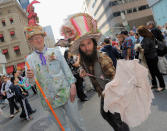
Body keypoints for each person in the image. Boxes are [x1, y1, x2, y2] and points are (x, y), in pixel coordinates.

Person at [61, 13, 129, 131]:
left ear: (94, 43)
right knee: (105, 114)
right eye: (83, 45)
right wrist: (82, 70)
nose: (87, 48)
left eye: (89, 43)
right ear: (79, 48)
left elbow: (115, 78)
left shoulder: (103, 59)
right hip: (102, 93)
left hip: (112, 95)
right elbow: (82, 66)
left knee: (118, 120)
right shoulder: (83, 58)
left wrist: (112, 91)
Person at [25, 25, 86, 131]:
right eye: (34, 38)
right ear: (31, 42)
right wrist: (29, 78)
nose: (38, 40)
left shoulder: (55, 51)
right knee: (63, 127)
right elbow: (30, 83)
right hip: (49, 99)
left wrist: (72, 85)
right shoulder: (29, 60)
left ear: (43, 38)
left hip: (66, 93)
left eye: (39, 37)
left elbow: (66, 70)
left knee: (77, 122)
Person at [137, 26, 166, 92]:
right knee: (152, 72)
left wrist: (139, 49)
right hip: (153, 56)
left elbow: (146, 50)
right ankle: (154, 84)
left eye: (139, 33)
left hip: (151, 57)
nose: (138, 34)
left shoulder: (146, 39)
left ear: (141, 33)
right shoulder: (150, 36)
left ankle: (162, 86)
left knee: (156, 72)